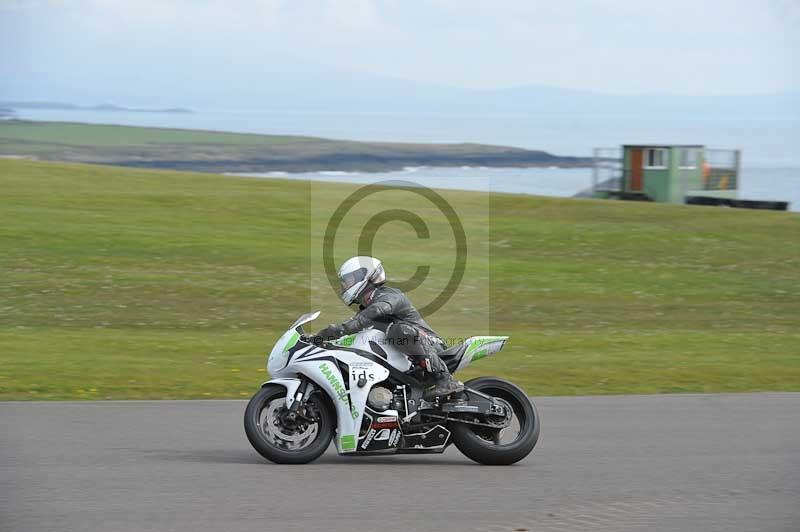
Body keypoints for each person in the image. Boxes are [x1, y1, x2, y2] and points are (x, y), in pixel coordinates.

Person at [313, 256, 463, 400]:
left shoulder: (390, 296)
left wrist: (335, 330)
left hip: (432, 346)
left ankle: (445, 380)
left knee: (398, 330)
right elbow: (352, 332)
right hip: (407, 359)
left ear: (364, 277)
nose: (344, 286)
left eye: (348, 280)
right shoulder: (367, 309)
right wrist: (320, 341)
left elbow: (366, 317)